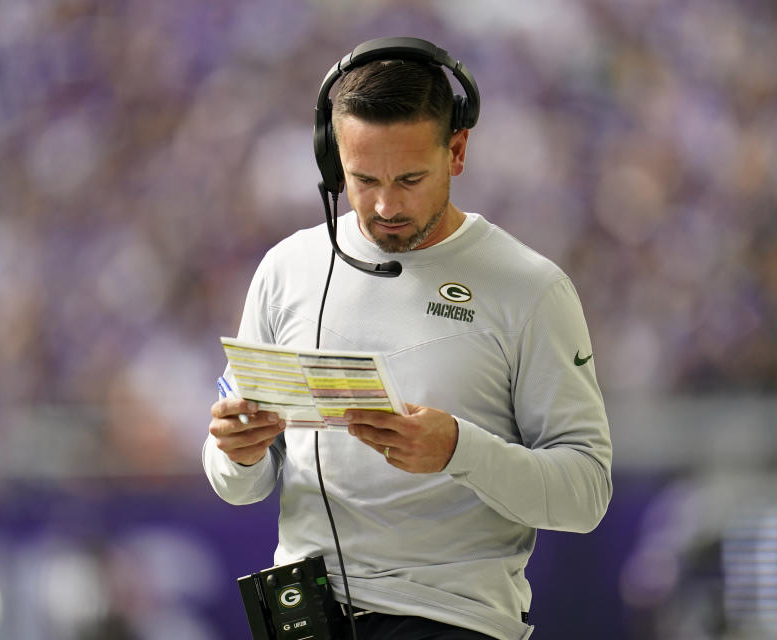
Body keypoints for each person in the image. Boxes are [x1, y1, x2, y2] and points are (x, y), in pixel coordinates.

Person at [203, 37, 612, 640]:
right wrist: (236, 451)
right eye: (362, 179)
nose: (386, 204)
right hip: (300, 616)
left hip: (453, 620)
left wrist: (457, 450)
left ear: (458, 150)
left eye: (410, 178)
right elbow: (238, 482)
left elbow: (586, 494)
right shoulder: (286, 269)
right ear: (329, 161)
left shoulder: (532, 289)